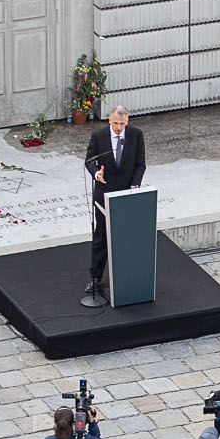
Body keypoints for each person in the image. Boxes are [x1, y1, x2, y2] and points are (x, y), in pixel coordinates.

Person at [81, 107, 146, 305]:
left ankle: (127, 277)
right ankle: (95, 277)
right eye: (115, 124)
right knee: (101, 235)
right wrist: (96, 174)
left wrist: (135, 184)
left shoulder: (135, 135)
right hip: (104, 193)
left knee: (126, 237)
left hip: (126, 193)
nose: (119, 128)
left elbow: (140, 164)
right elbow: (90, 161)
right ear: (110, 121)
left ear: (127, 122)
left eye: (122, 124)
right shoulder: (99, 136)